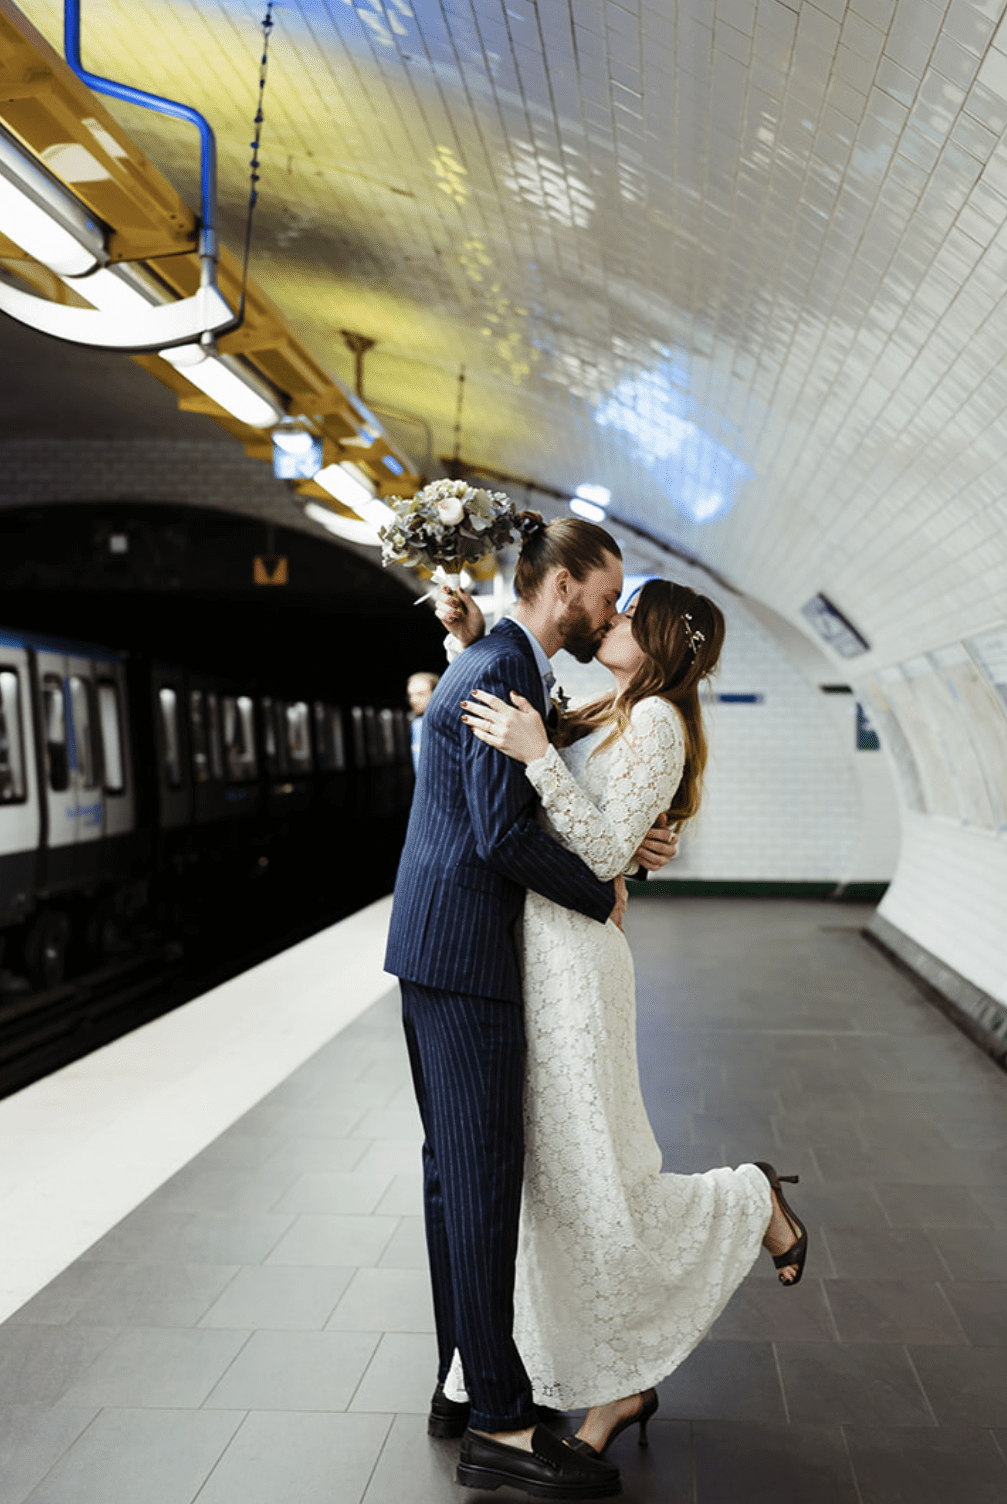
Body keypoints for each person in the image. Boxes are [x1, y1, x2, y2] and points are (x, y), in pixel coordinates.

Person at [456, 577, 809, 1462]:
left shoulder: (658, 723)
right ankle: (594, 1368)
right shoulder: (610, 704)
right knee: (562, 1175)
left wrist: (542, 756)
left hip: (578, 966)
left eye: (625, 612)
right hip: (540, 950)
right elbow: (543, 777)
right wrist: (467, 643)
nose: (607, 618)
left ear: (658, 640)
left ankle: (747, 1205)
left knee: (597, 1175)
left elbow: (608, 849)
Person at [384, 514, 672, 1500]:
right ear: (563, 585)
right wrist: (606, 891)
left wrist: (625, 846)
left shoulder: (499, 660)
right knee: (479, 1177)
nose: (611, 607)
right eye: (607, 589)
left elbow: (521, 785)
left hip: (435, 945)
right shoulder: (501, 671)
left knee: (451, 1177)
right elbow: (503, 834)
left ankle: (461, 1389)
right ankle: (500, 1422)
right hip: (466, 953)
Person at [407, 671, 439, 768]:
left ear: (436, 693)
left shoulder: (443, 724)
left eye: (420, 694)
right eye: (410, 695)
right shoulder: (416, 724)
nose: (413, 700)